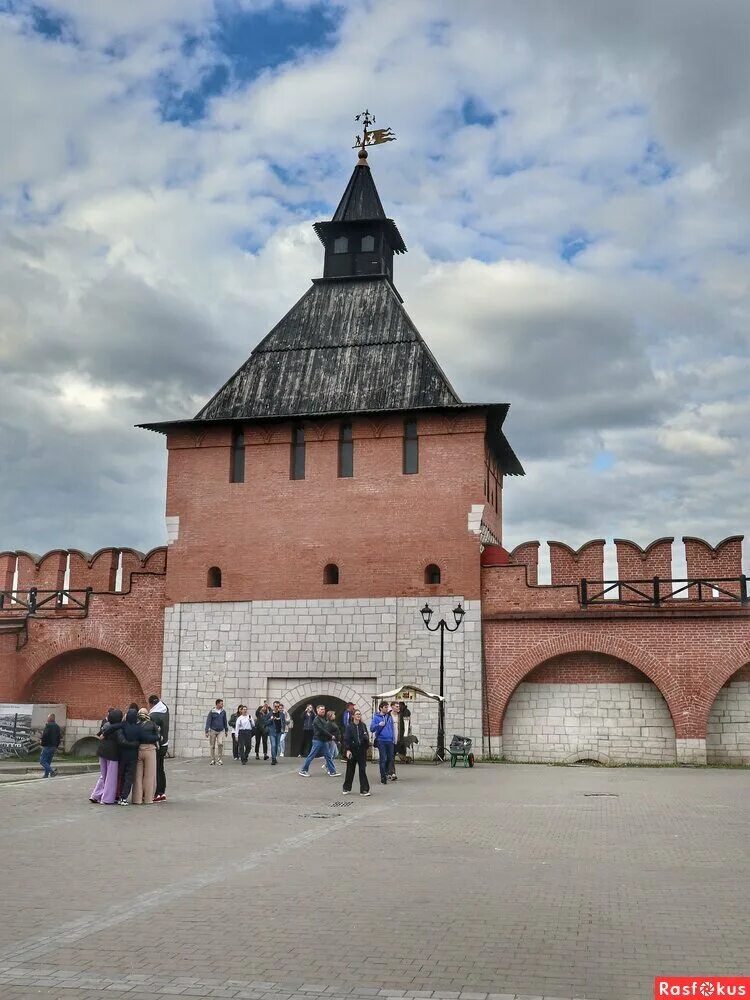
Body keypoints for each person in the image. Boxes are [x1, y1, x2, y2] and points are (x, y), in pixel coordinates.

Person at [90, 709, 123, 804]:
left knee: (103, 776)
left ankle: (96, 795)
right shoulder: (118, 728)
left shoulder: (105, 725)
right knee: (111, 777)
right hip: (112, 753)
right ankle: (107, 798)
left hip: (102, 752)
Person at [298, 705, 339, 777]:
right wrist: (331, 736)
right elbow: (322, 730)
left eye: (323, 709)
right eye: (321, 709)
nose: (323, 711)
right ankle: (303, 770)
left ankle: (332, 771)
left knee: (328, 756)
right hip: (318, 741)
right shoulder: (316, 719)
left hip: (324, 741)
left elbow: (326, 729)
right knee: (311, 756)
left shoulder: (323, 719)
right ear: (317, 710)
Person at [116, 708, 144, 805]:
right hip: (133, 755)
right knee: (129, 776)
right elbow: (142, 738)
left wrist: (103, 731)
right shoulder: (139, 728)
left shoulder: (123, 725)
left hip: (123, 754)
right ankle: (124, 797)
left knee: (121, 775)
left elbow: (114, 727)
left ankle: (119, 795)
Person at [132, 709, 160, 805]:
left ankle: (137, 799)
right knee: (149, 775)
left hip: (139, 750)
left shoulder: (136, 725)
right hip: (150, 749)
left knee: (137, 776)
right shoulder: (152, 724)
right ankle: (148, 799)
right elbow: (157, 736)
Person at [342, 708, 371, 796]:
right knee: (350, 770)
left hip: (361, 750)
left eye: (359, 714)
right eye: (357, 714)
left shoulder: (363, 725)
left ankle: (364, 789)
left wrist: (366, 745)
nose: (358, 715)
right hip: (352, 750)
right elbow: (346, 739)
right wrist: (347, 750)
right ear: (353, 716)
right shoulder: (349, 727)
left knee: (362, 770)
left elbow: (366, 736)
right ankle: (346, 787)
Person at [148, 694, 170, 801]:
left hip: (157, 745)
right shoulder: (165, 710)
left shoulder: (153, 715)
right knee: (161, 769)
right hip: (165, 743)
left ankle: (157, 793)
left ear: (151, 703)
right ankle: (162, 792)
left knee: (156, 769)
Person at [370, 700, 396, 786]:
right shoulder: (376, 717)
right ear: (381, 708)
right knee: (383, 759)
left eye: (387, 707)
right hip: (381, 740)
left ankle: (386, 772)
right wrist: (378, 725)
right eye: (385, 707)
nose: (387, 709)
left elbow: (392, 728)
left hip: (390, 740)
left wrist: (393, 738)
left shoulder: (389, 717)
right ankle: (383, 777)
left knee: (390, 758)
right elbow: (372, 729)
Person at [205, 698, 228, 765]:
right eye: (221, 703)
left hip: (221, 731)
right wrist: (206, 731)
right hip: (213, 730)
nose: (222, 704)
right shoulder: (212, 711)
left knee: (220, 744)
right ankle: (213, 760)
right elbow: (208, 721)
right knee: (212, 746)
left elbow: (225, 721)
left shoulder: (223, 711)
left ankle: (219, 759)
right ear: (217, 704)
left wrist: (226, 730)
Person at [39, 713, 61, 778]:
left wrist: (42, 743)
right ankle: (46, 775)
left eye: (48, 717)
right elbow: (59, 737)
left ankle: (52, 771)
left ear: (50, 718)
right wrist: (56, 746)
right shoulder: (57, 726)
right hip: (53, 747)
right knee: (48, 761)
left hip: (47, 746)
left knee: (42, 761)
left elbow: (45, 736)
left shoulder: (48, 726)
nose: (47, 719)